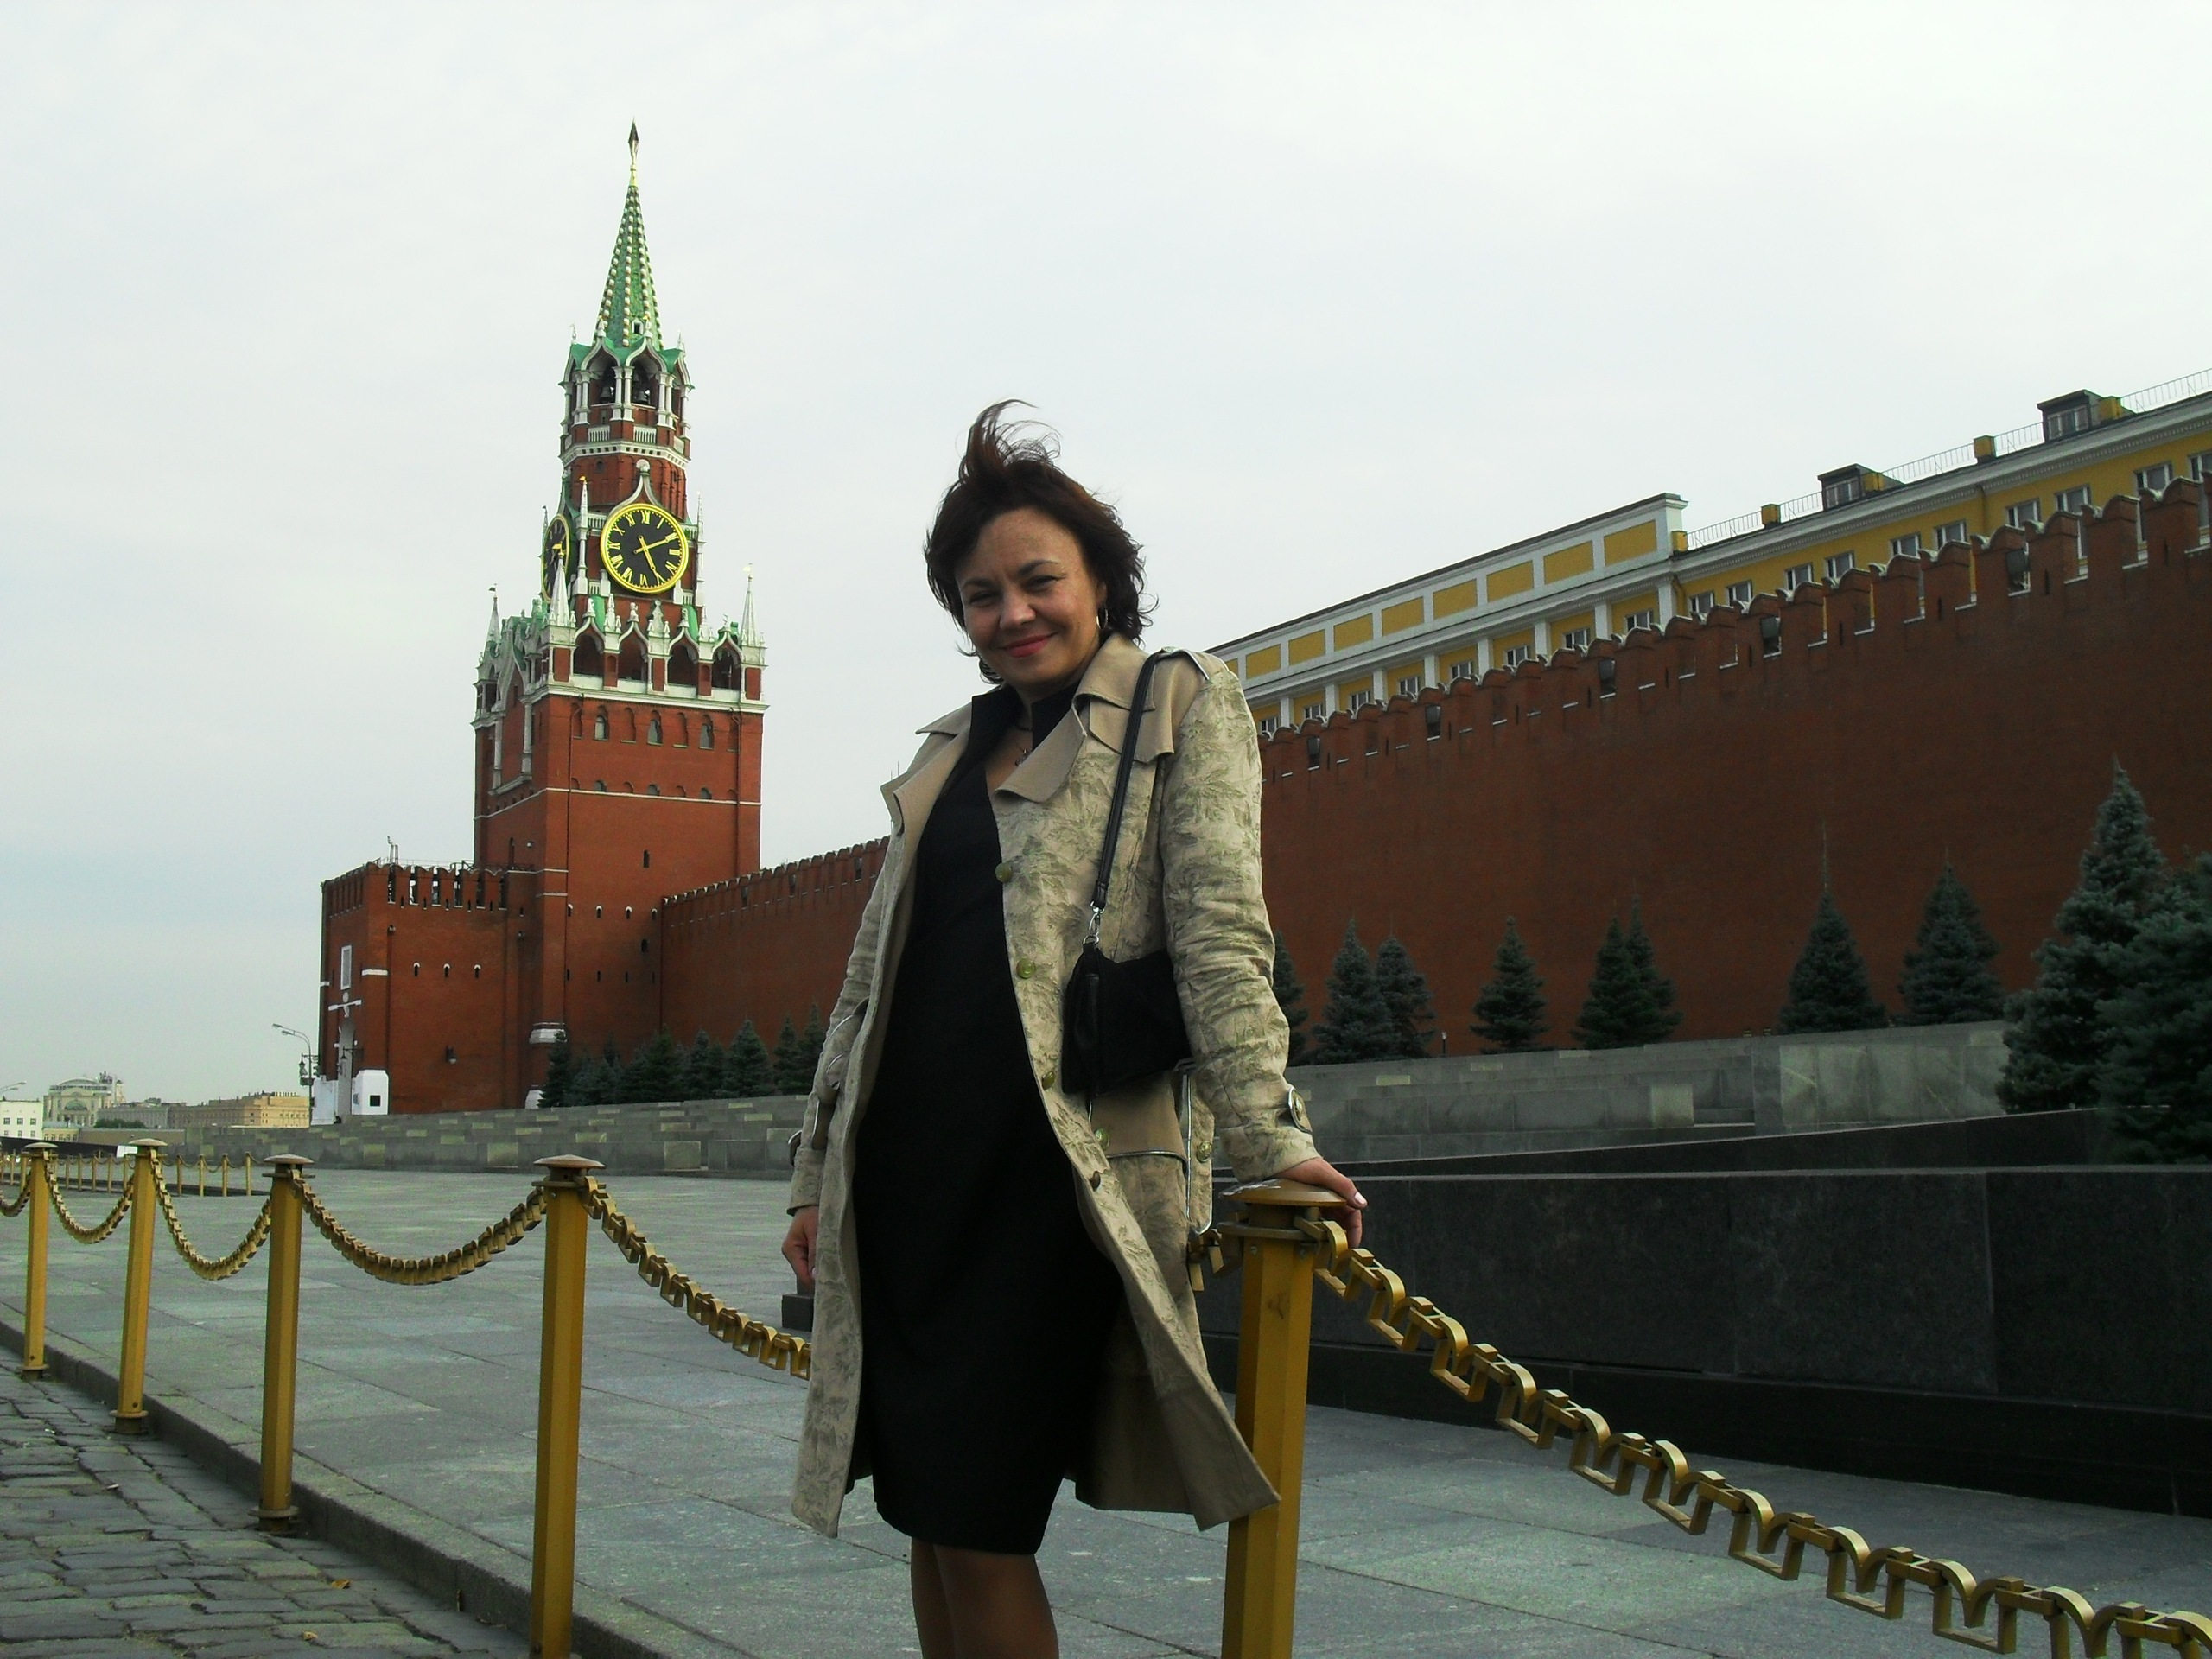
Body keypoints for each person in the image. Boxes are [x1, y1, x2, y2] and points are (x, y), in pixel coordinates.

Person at [780, 404, 1363, 1659]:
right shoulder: (954, 746)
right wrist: (815, 1174)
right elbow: (866, 986)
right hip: (909, 1182)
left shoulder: (1178, 702)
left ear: (1103, 578)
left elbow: (1220, 934)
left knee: (981, 1519)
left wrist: (1270, 1141)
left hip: (1045, 1180)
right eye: (981, 595)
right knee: (929, 1510)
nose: (1013, 613)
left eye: (1039, 580)